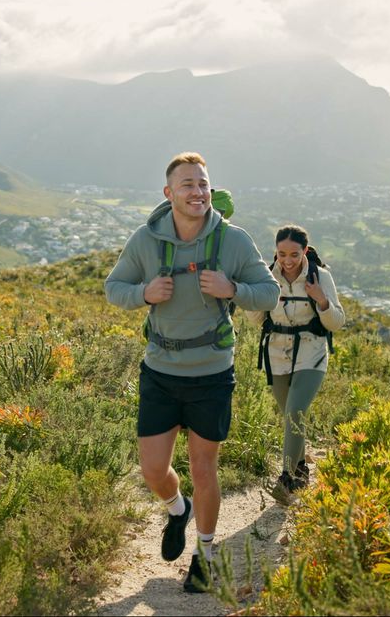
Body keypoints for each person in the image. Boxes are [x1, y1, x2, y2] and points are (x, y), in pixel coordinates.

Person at [104, 152, 279, 593]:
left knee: (205, 468)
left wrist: (233, 289)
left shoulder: (233, 241)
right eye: (187, 185)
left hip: (211, 373)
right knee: (152, 470)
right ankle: (176, 508)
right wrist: (143, 293)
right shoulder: (146, 240)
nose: (197, 192)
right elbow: (113, 287)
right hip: (160, 370)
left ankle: (204, 554)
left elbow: (269, 292)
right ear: (169, 193)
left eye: (202, 183)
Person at [248, 225, 346, 500]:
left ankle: (288, 479)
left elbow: (337, 322)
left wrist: (321, 300)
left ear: (305, 251)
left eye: (294, 254)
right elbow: (255, 320)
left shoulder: (320, 276)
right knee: (290, 416)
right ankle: (302, 471)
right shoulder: (268, 277)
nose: (288, 260)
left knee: (295, 413)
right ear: (275, 253)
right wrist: (260, 299)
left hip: (311, 352)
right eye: (281, 254)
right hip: (277, 354)